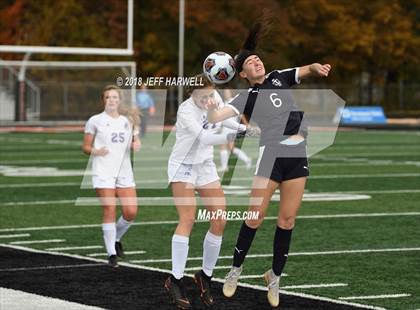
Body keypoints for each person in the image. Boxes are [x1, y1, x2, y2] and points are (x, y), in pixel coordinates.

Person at [206, 18, 331, 307]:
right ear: (243, 73)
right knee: (254, 217)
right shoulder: (245, 97)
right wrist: (211, 105)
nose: (257, 62)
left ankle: (274, 276)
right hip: (270, 156)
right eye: (250, 62)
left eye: (257, 58)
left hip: (297, 154)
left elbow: (307, 69)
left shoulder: (279, 76)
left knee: (287, 221)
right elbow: (215, 118)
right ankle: (235, 270)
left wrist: (317, 67)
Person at [164, 74, 252, 309]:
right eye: (202, 96)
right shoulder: (185, 111)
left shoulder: (213, 97)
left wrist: (246, 128)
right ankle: (175, 280)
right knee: (188, 218)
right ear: (191, 94)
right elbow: (205, 136)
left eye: (210, 93)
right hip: (183, 166)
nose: (207, 99)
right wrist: (237, 134)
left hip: (205, 166)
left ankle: (205, 276)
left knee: (220, 220)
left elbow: (225, 121)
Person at [82, 85, 141, 267]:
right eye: (108, 97)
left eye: (115, 97)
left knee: (131, 212)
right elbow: (85, 147)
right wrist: (95, 151)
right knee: (109, 209)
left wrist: (136, 144)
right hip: (103, 171)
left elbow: (136, 142)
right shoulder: (95, 120)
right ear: (104, 100)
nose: (112, 100)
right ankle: (111, 254)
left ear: (119, 100)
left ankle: (116, 239)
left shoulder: (128, 121)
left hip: (124, 171)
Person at [218, 89, 252, 172]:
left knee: (224, 146)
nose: (226, 94)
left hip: (231, 128)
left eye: (227, 92)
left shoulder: (233, 101)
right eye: (225, 92)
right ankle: (247, 159)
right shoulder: (225, 103)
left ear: (231, 93)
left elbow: (241, 114)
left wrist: (246, 124)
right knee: (231, 148)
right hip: (227, 128)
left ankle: (224, 166)